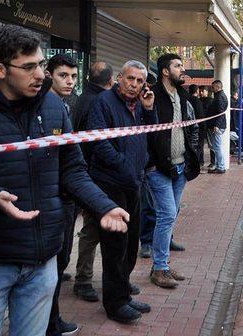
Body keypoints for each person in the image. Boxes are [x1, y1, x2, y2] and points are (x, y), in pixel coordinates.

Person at [0, 25, 129, 335]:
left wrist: (104, 207)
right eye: (29, 67)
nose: (41, 74)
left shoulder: (53, 106)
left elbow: (72, 169)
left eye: (40, 63)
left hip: (43, 260)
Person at [86, 60, 156, 323]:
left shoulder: (139, 105)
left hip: (134, 183)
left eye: (139, 81)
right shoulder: (103, 102)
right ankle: (114, 303)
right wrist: (126, 165)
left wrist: (149, 110)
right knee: (115, 245)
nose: (134, 85)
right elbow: (99, 143)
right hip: (110, 183)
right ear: (119, 78)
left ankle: (123, 292)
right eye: (130, 79)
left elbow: (151, 133)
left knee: (131, 241)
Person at [147, 53, 200, 289]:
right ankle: (159, 268)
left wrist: (194, 154)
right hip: (159, 168)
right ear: (165, 71)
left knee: (172, 212)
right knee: (167, 214)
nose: (183, 69)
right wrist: (150, 162)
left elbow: (193, 124)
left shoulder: (182, 95)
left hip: (181, 165)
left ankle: (163, 264)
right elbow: (147, 132)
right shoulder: (152, 97)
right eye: (178, 66)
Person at [72, 61, 116, 302]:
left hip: (89, 174)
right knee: (92, 230)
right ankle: (83, 280)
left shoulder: (83, 98)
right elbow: (94, 143)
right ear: (110, 82)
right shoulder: (98, 102)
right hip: (93, 175)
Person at [44, 53, 81, 336]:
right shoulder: (43, 106)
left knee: (62, 259)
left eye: (73, 76)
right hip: (52, 196)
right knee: (54, 262)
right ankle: (50, 323)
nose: (69, 82)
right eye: (63, 76)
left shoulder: (66, 104)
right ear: (49, 74)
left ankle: (51, 319)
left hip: (67, 194)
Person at [208, 80, 228, 173]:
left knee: (217, 147)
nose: (212, 89)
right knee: (216, 147)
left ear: (217, 87)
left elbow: (220, 112)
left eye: (213, 87)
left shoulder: (220, 97)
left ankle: (220, 166)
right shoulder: (220, 96)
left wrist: (216, 124)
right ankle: (218, 165)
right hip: (218, 125)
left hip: (217, 125)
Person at [188, 84, 206, 168]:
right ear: (197, 91)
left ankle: (198, 161)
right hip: (198, 127)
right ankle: (197, 163)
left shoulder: (186, 100)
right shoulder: (197, 102)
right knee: (199, 146)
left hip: (188, 126)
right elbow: (200, 115)